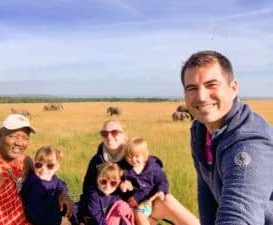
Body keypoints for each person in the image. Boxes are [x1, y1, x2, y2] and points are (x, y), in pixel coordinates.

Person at [180, 50, 273, 225]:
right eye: (191, 88)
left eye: (211, 85)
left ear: (233, 88)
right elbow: (206, 190)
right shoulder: (200, 130)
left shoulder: (250, 145)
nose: (201, 96)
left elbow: (239, 217)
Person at [82, 119, 200, 225]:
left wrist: (159, 191)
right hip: (118, 210)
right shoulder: (97, 162)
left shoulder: (133, 156)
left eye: (114, 132)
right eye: (104, 133)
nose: (109, 136)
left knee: (167, 199)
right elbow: (89, 189)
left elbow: (154, 176)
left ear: (124, 136)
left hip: (144, 204)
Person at [0, 114, 74, 225]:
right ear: (0, 134)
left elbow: (48, 180)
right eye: (13, 136)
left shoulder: (25, 160)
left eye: (25, 138)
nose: (19, 143)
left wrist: (63, 193)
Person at [122, 137, 199, 225]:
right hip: (132, 202)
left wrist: (161, 191)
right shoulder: (127, 170)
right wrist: (123, 185)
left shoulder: (154, 169)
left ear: (145, 155)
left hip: (149, 201)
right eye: (129, 157)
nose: (133, 160)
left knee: (140, 214)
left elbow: (162, 181)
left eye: (136, 156)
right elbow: (123, 183)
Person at [20, 146, 73, 225]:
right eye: (38, 165)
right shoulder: (34, 186)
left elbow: (61, 184)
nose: (43, 169)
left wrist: (63, 193)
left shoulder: (53, 178)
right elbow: (35, 214)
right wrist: (58, 221)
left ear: (56, 167)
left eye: (50, 166)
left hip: (54, 215)